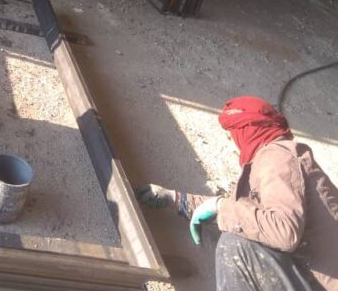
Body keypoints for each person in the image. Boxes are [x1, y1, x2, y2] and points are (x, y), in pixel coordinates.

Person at [136, 96, 338, 290]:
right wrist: (176, 199)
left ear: (246, 130)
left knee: (237, 245)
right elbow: (241, 210)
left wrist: (219, 206)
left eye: (231, 133)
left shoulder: (277, 157)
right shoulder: (274, 159)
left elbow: (284, 232)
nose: (230, 140)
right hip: (311, 277)